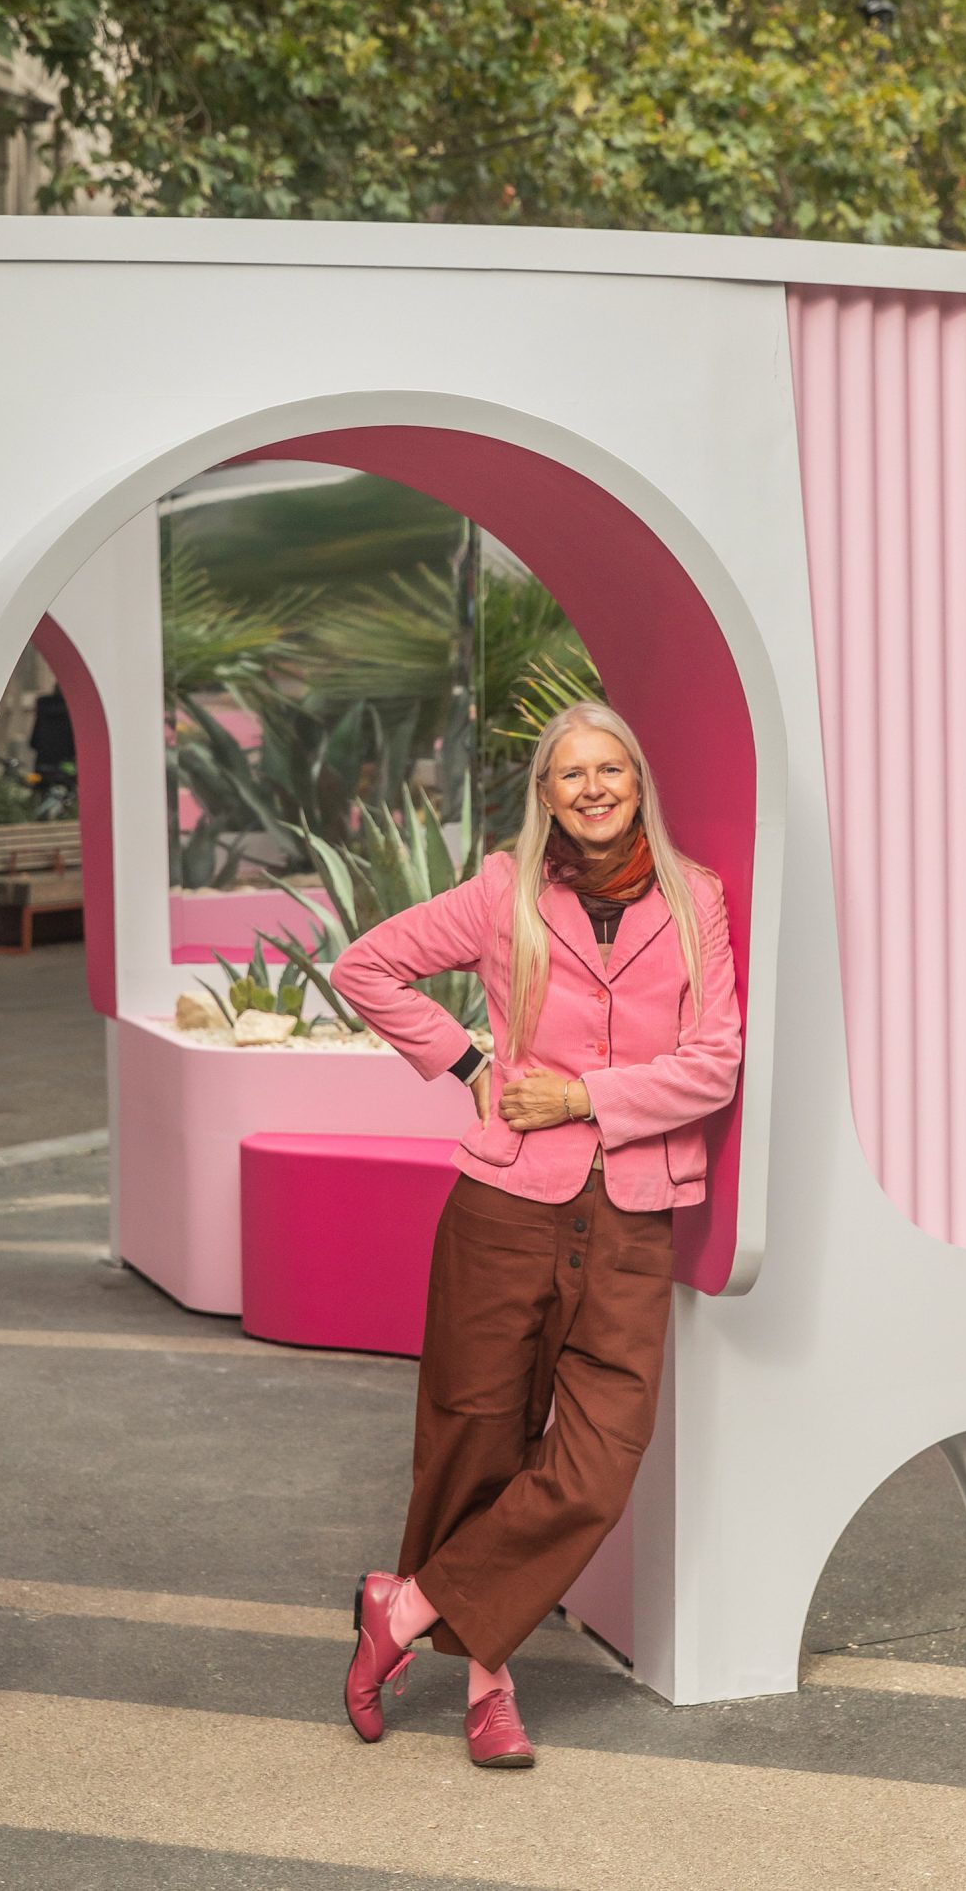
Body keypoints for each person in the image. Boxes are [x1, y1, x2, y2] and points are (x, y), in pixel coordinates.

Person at [329, 700, 744, 1769]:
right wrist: (470, 1066)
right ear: (547, 794)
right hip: (506, 1208)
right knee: (475, 1434)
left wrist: (582, 1099)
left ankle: (405, 1606)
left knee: (601, 1458)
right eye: (571, 774)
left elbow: (716, 1063)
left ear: (638, 782)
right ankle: (487, 1683)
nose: (594, 787)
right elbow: (365, 968)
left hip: (634, 1212)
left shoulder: (696, 902)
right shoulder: (500, 894)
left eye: (611, 767)